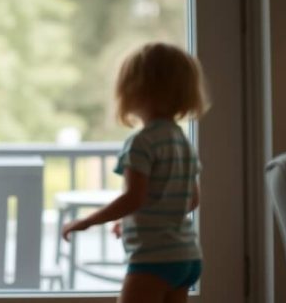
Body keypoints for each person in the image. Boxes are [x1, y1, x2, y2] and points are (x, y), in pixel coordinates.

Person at [61, 42, 207, 303]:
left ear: (135, 91)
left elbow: (133, 198)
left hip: (154, 259)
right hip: (187, 255)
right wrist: (133, 219)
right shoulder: (182, 140)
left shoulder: (142, 142)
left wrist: (86, 222)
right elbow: (191, 199)